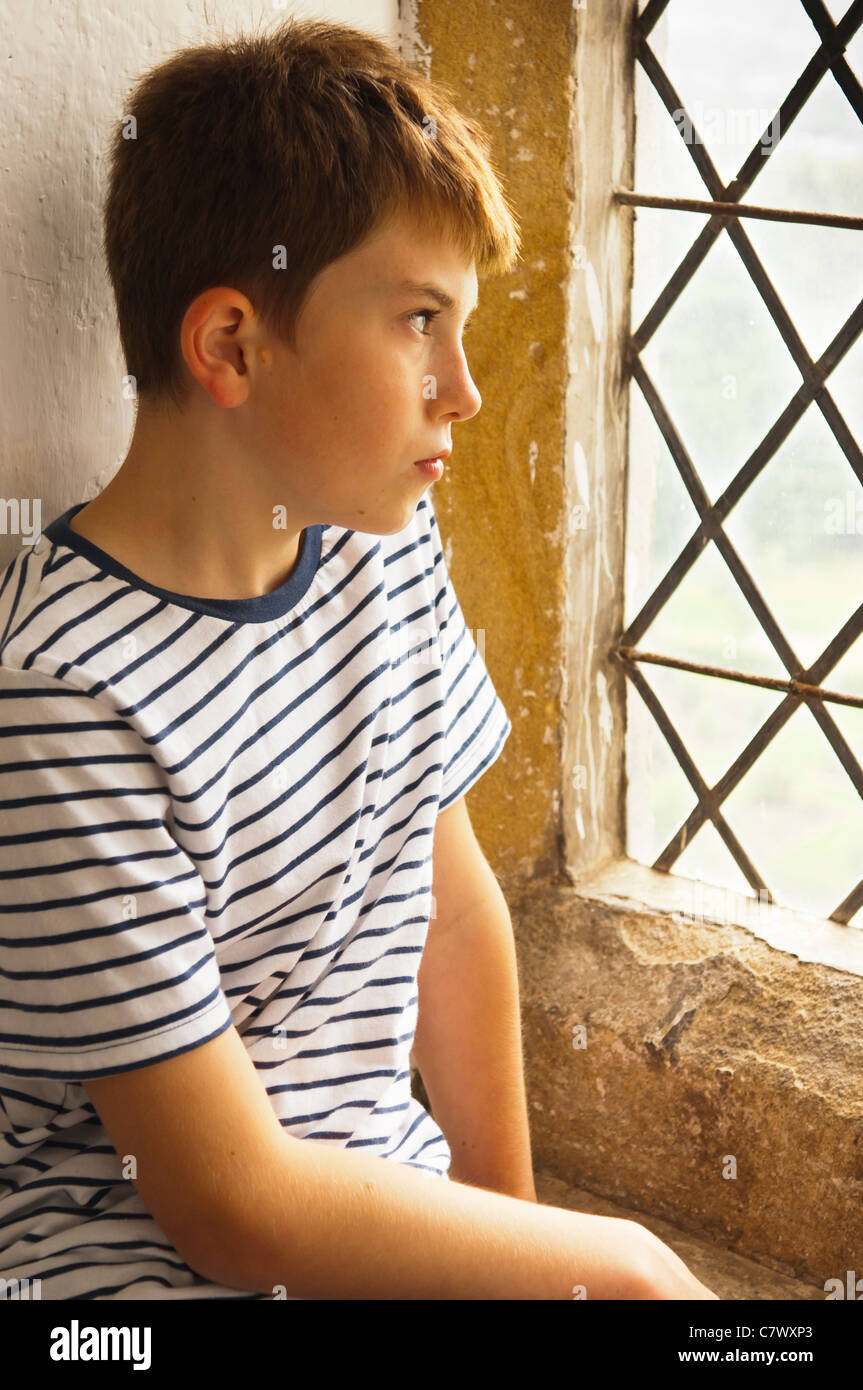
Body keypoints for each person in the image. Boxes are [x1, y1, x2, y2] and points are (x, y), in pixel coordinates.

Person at [0, 15, 717, 1300]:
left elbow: (446, 910)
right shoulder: (64, 703)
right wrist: (610, 1268)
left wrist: (519, 1241)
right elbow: (234, 1210)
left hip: (369, 1214)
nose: (463, 387)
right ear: (229, 344)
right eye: (415, 322)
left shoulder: (375, 551)